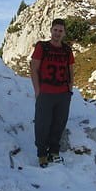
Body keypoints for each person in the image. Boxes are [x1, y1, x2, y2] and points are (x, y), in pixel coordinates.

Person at [30, 18, 75, 167]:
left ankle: (54, 151)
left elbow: (71, 70)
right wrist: (38, 91)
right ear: (51, 30)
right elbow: (34, 69)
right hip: (46, 92)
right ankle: (42, 154)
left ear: (64, 33)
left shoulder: (67, 50)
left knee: (59, 124)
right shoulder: (42, 47)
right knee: (42, 124)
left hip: (63, 94)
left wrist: (70, 89)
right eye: (55, 30)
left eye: (60, 31)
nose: (57, 33)